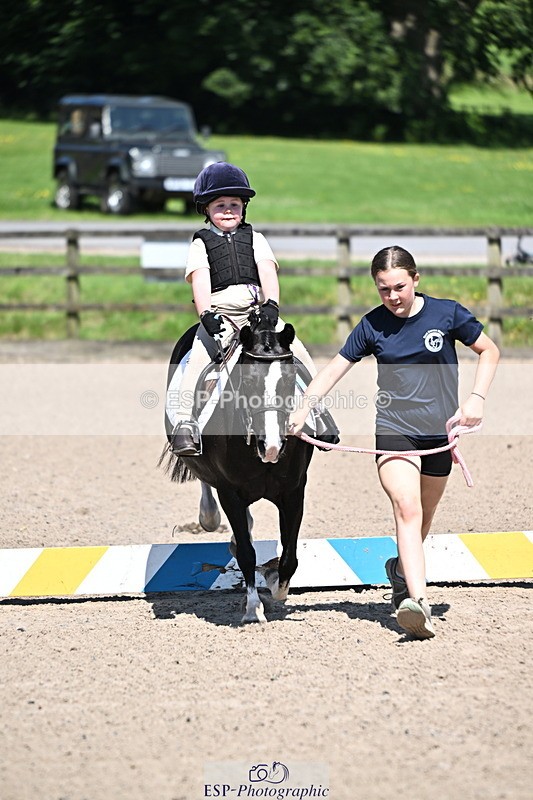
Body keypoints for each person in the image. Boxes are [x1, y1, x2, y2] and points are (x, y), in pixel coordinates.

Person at [288, 245, 499, 639]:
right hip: (394, 428)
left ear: (415, 280)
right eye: (383, 289)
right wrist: (304, 408)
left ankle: (400, 571)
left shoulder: (447, 313)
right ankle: (418, 604)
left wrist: (477, 398)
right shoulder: (372, 325)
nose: (392, 297)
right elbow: (335, 369)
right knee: (407, 508)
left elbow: (489, 350)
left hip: (440, 435)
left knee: (424, 516)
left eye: (399, 287)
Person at [171, 161, 324, 455]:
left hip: (257, 313)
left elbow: (267, 272)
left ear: (244, 207)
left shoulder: (256, 238)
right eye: (220, 205)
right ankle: (184, 424)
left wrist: (272, 305)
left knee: (300, 353)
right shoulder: (200, 244)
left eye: (234, 204)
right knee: (197, 364)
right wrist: (206, 315)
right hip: (221, 315)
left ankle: (319, 411)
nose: (228, 211)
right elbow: (200, 281)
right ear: (206, 209)